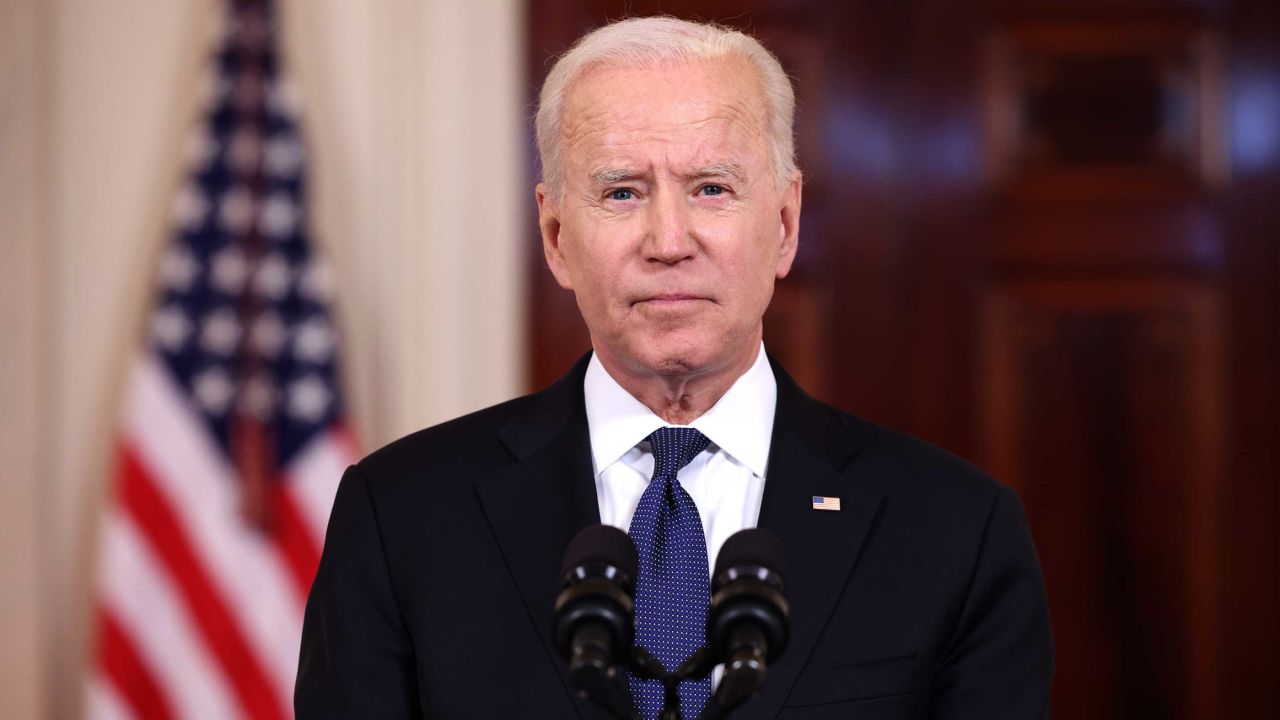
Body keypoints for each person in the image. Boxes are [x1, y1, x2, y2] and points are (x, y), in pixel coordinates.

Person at [295, 16, 1053, 719]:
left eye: (711, 189)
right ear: (557, 236)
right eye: (622, 192)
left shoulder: (956, 530)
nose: (668, 240)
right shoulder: (402, 517)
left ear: (784, 225)